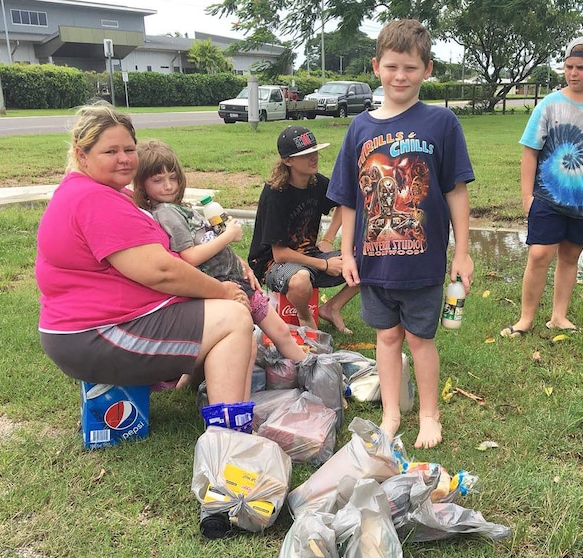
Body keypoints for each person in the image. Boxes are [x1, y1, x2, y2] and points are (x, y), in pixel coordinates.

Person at [35, 103, 255, 429]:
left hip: (93, 328)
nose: (124, 158)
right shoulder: (95, 200)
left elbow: (168, 257)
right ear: (82, 155)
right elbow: (161, 271)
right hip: (97, 334)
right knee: (234, 317)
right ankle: (230, 438)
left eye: (129, 148)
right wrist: (222, 290)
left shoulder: (97, 191)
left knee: (219, 313)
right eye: (110, 150)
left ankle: (214, 397)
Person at [327, 19, 475, 449]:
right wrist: (347, 253)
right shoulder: (359, 128)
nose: (400, 76)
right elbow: (350, 199)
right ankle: (391, 414)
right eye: (391, 67)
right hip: (374, 262)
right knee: (386, 337)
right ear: (376, 67)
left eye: (410, 68)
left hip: (424, 263)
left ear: (427, 69)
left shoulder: (442, 123)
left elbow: (456, 191)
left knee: (420, 339)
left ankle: (429, 414)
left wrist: (462, 253)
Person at [132, 139, 307, 365]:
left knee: (271, 334)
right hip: (224, 287)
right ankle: (310, 369)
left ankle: (186, 382)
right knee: (274, 334)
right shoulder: (166, 213)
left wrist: (239, 261)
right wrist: (229, 236)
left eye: (172, 178)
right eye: (158, 180)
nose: (168, 186)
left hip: (234, 280)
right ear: (142, 184)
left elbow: (207, 241)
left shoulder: (178, 208)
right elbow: (190, 256)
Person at [501, 36, 583, 338]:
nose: (573, 73)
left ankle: (559, 316)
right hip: (548, 197)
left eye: (580, 67)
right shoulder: (549, 105)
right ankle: (525, 319)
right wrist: (527, 196)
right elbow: (530, 152)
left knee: (570, 256)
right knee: (539, 255)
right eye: (568, 66)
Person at [248, 125, 359, 334]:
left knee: (369, 259)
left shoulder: (316, 182)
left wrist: (328, 238)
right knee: (300, 280)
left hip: (309, 256)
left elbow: (343, 201)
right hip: (272, 265)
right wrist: (324, 264)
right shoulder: (275, 194)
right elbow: (279, 255)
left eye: (314, 151)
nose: (313, 158)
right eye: (306, 155)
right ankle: (305, 317)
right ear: (288, 161)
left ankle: (331, 308)